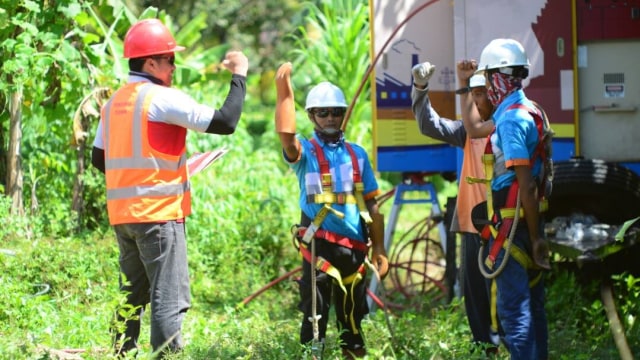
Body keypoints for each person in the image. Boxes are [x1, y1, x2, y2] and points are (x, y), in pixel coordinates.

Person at [90, 18, 248, 357]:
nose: (175, 66)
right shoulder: (161, 99)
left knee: (131, 295)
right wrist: (240, 74)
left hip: (124, 218)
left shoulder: (113, 102)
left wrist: (149, 174)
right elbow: (225, 121)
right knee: (168, 297)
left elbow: (99, 159)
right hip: (159, 217)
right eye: (170, 59)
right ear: (150, 63)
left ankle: (122, 353)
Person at [273, 62, 388, 360]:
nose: (329, 118)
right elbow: (287, 139)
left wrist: (381, 250)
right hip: (319, 247)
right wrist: (283, 91)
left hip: (354, 249)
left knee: (353, 318)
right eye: (322, 112)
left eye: (335, 111)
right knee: (315, 318)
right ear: (311, 115)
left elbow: (373, 205)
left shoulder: (357, 154)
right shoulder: (306, 153)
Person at [411, 60, 498, 354]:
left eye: (481, 94)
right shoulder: (466, 132)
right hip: (474, 226)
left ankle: (508, 345)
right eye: (472, 94)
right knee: (474, 293)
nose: (475, 100)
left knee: (502, 292)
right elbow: (428, 124)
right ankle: (482, 347)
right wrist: (420, 88)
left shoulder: (508, 128)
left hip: (506, 227)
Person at [472, 38, 551, 359]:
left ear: (495, 78)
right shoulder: (531, 110)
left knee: (515, 314)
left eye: (487, 79)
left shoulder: (512, 120)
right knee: (533, 306)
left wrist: (535, 239)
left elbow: (527, 185)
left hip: (515, 227)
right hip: (525, 223)